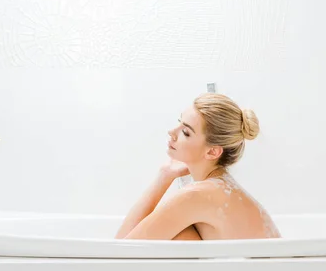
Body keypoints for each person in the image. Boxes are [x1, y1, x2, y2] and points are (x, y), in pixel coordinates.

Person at [115, 93, 281, 240]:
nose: (172, 132)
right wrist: (166, 174)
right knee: (178, 232)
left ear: (212, 152)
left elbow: (122, 252)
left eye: (186, 132)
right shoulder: (219, 187)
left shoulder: (198, 195)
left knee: (179, 234)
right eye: (179, 122)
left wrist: (162, 177)